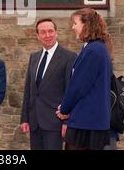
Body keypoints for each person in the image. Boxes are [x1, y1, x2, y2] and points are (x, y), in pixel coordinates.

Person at [56, 8, 113, 150]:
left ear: (86, 25)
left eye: (75, 23)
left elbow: (78, 86)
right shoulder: (96, 48)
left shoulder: (93, 50)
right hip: (90, 121)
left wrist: (64, 108)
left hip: (87, 124)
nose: (73, 27)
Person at [20, 18, 77, 150]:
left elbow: (71, 91)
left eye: (50, 31)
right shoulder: (34, 57)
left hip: (55, 122)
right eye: (43, 32)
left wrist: (67, 121)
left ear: (56, 33)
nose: (47, 35)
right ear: (38, 36)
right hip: (35, 123)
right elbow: (29, 90)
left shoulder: (69, 57)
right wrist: (24, 118)